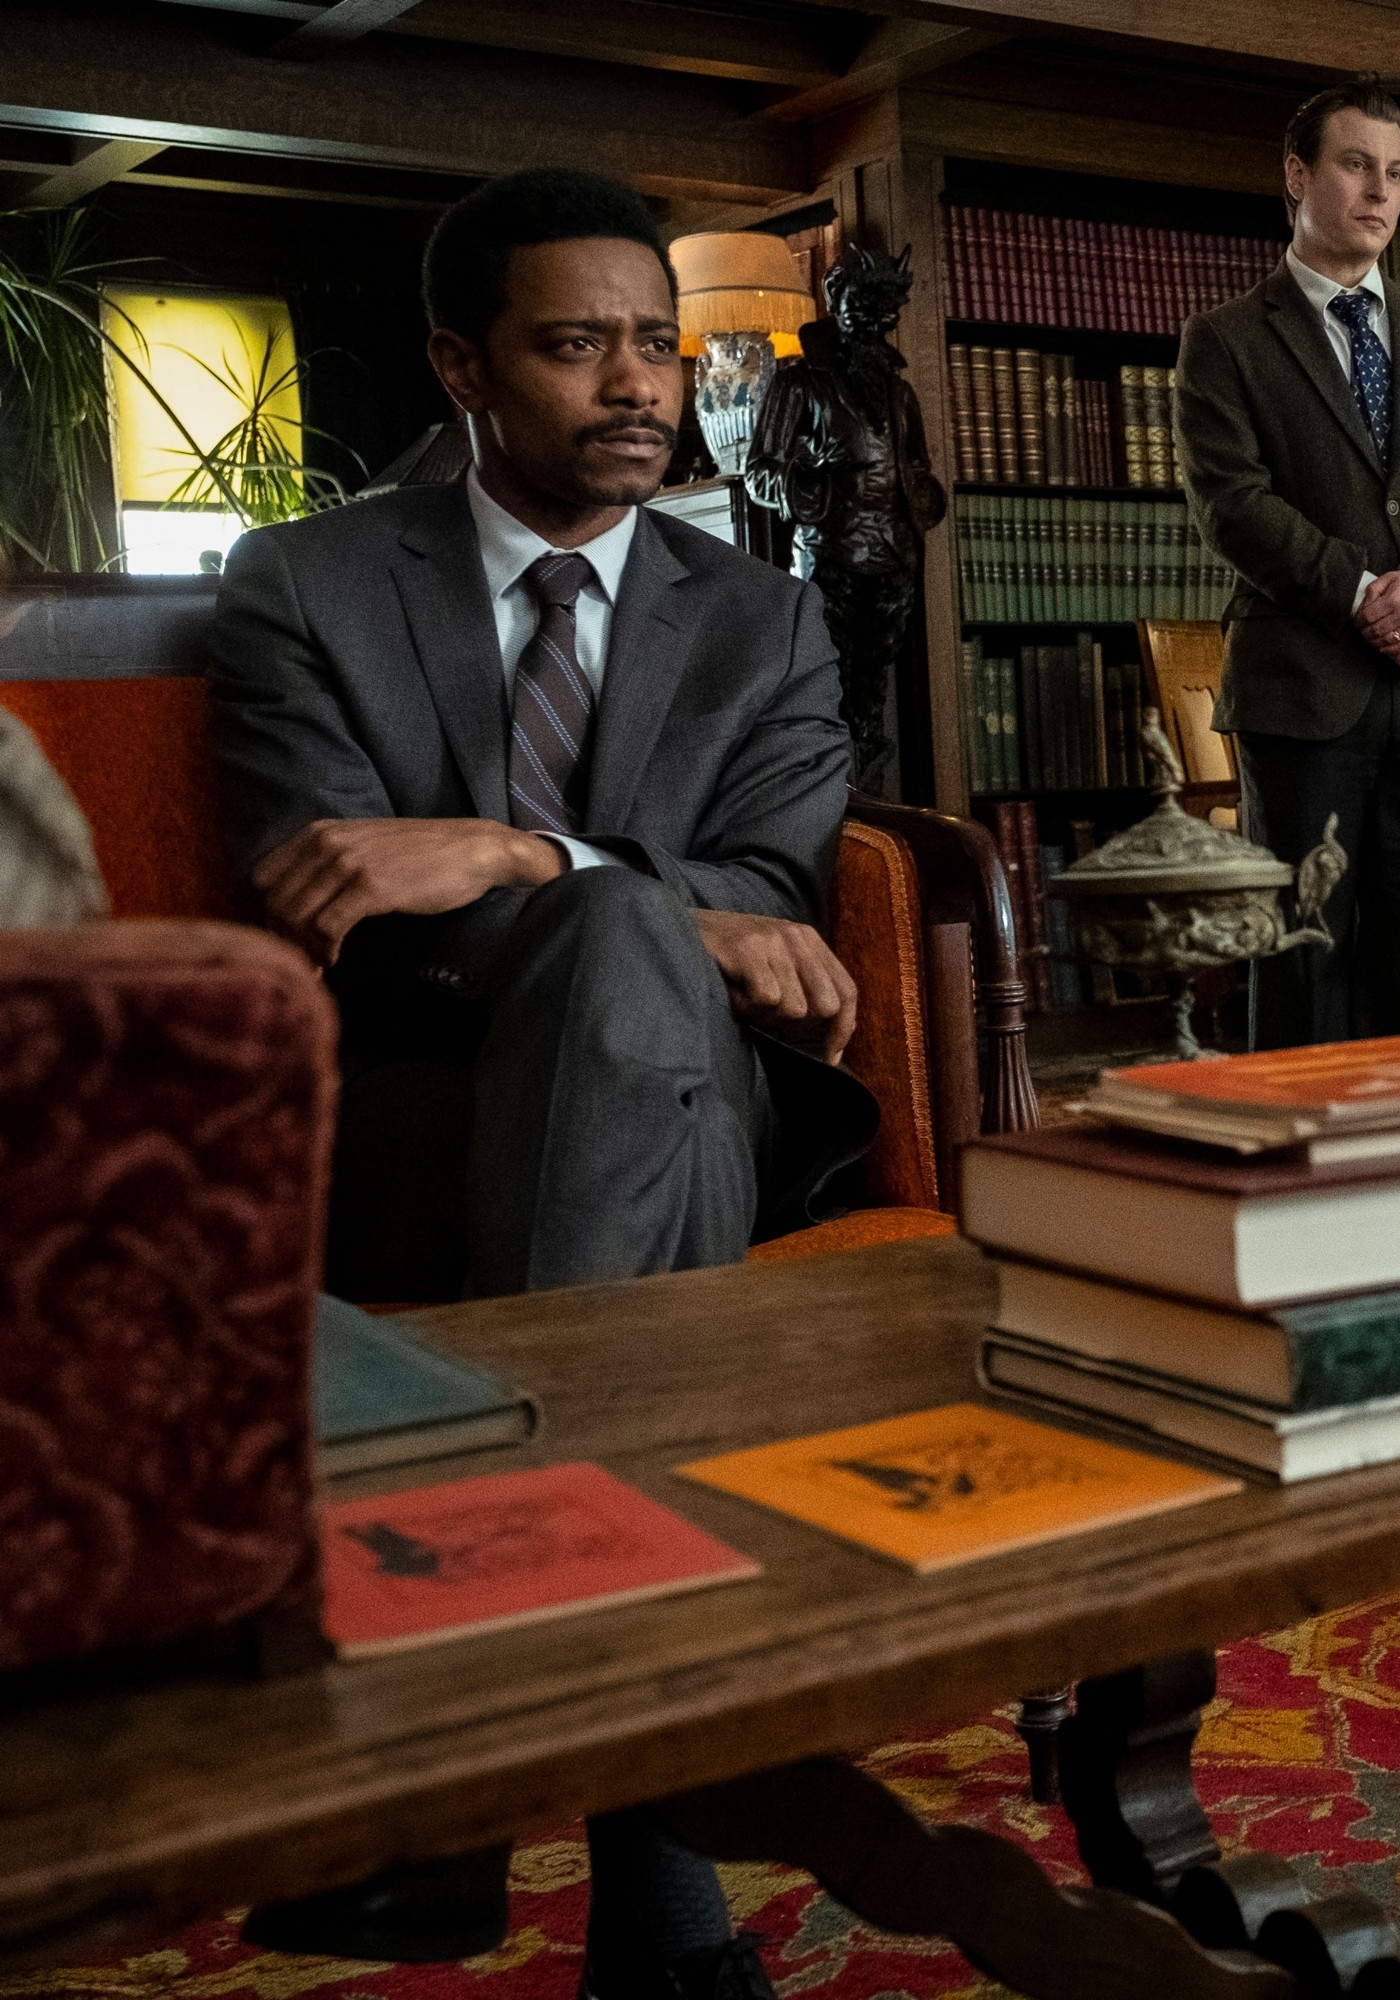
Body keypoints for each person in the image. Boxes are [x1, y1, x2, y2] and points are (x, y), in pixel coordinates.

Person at [210, 166, 873, 2000]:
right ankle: (659, 1888)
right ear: (462, 365)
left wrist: (524, 863)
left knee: (619, 946)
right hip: (419, 1089)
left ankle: (471, 1772)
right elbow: (323, 879)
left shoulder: (765, 621)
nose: (638, 384)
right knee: (628, 946)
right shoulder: (308, 582)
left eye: (657, 343)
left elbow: (780, 902)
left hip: (708, 1101)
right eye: (578, 345)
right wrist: (633, 906)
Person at [1176, 80, 1400, 1046]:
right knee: (1302, 947)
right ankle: (1298, 1179)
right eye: (1354, 164)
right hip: (1303, 686)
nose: (1379, 190)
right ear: (1297, 175)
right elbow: (1232, 504)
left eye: (1397, 172)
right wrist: (1368, 593)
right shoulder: (1225, 340)